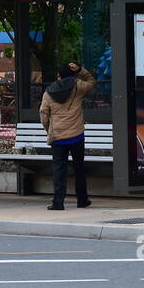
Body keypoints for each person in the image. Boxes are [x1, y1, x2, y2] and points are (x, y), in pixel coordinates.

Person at [39, 61, 96, 210]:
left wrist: (49, 130)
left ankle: (58, 202)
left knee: (58, 170)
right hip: (77, 135)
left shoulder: (48, 92)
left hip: (58, 137)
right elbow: (91, 81)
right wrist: (80, 70)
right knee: (79, 168)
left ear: (58, 76)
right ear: (70, 73)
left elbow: (43, 115)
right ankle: (82, 200)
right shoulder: (77, 86)